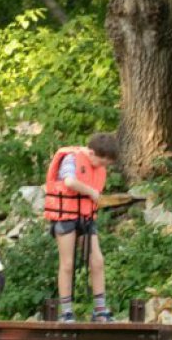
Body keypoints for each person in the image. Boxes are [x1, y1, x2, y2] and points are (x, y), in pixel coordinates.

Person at [44, 132, 118, 322]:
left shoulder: (97, 164)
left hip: (85, 217)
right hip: (65, 217)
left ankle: (100, 310)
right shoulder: (71, 159)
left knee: (97, 260)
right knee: (67, 264)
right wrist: (91, 192)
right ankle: (66, 312)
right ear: (92, 153)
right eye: (101, 162)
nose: (102, 167)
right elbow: (69, 181)